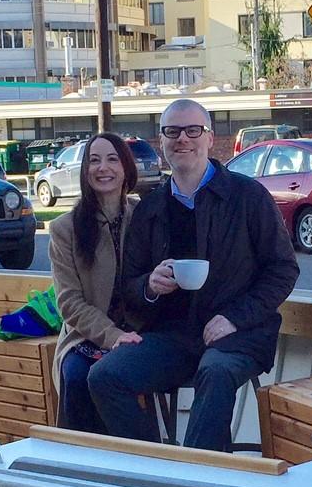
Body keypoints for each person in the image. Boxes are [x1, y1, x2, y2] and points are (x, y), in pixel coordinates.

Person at [88, 99, 299, 451]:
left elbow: (283, 269)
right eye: (172, 131)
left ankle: (203, 480)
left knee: (215, 372)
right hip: (172, 336)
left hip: (238, 335)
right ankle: (154, 468)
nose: (182, 139)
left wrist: (234, 317)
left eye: (192, 130)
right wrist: (150, 287)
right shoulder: (151, 207)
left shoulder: (247, 197)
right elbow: (130, 285)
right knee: (105, 376)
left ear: (209, 139)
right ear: (162, 142)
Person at [47, 133, 142, 432]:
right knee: (77, 377)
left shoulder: (144, 217)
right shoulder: (65, 229)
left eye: (113, 159)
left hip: (140, 334)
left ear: (126, 167)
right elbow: (69, 303)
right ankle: (80, 464)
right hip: (85, 338)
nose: (103, 168)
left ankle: (137, 459)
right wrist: (112, 335)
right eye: (94, 160)